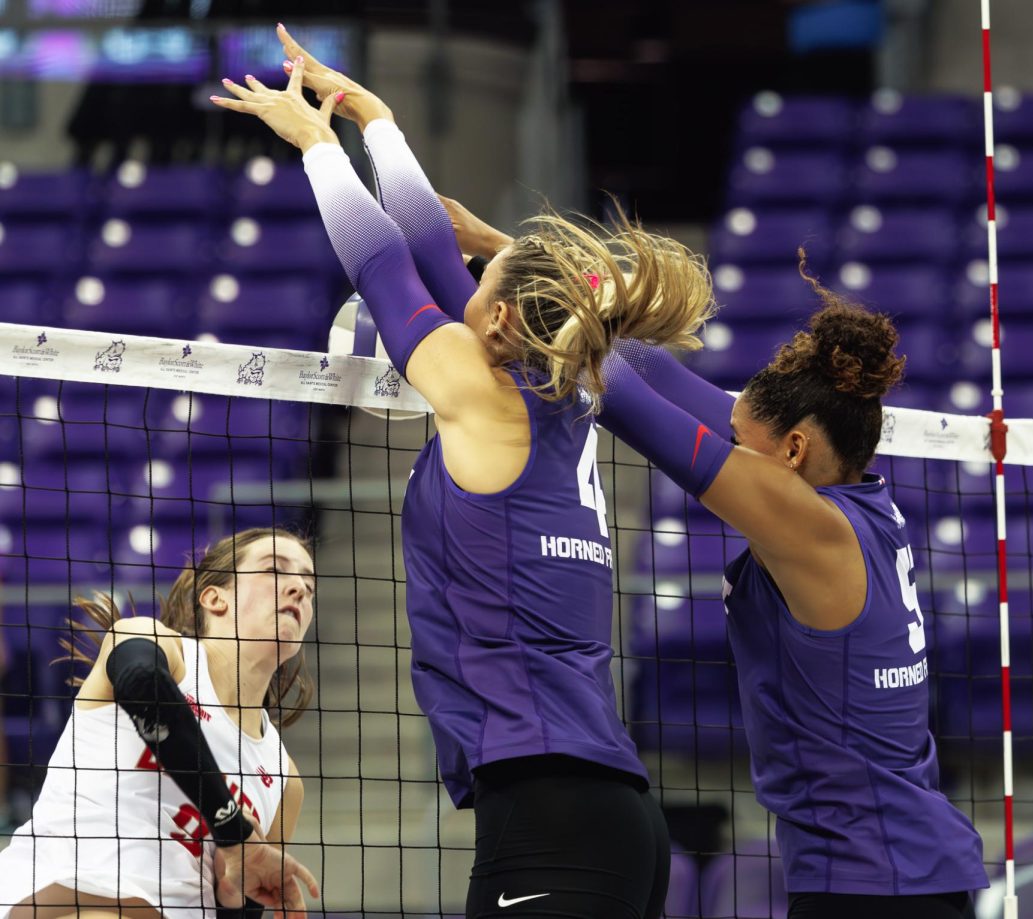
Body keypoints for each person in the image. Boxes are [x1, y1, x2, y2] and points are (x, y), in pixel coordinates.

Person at [212, 32, 717, 918]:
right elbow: (439, 256)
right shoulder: (569, 378)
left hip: (552, 809)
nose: (468, 292)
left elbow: (386, 267)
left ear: (504, 320)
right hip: (603, 812)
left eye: (484, 292)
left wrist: (320, 146)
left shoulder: (481, 391)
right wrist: (381, 121)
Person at [441, 201, 990, 917]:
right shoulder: (858, 510)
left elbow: (632, 403)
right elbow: (654, 374)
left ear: (794, 451)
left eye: (740, 439)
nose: (727, 442)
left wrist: (511, 301)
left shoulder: (811, 525)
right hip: (888, 874)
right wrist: (509, 255)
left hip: (874, 883)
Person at [0, 528, 321, 919]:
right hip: (65, 898)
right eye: (275, 571)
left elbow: (243, 899)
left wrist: (231, 893)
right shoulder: (158, 646)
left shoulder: (285, 780)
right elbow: (141, 682)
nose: (299, 590)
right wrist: (231, 825)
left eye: (308, 584)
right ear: (214, 598)